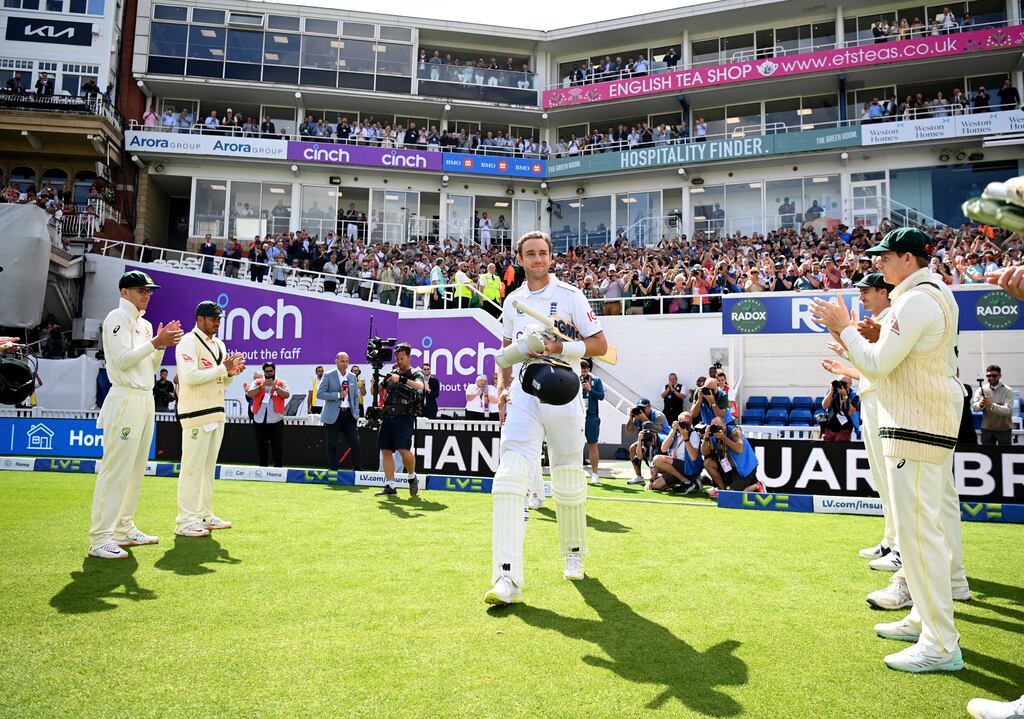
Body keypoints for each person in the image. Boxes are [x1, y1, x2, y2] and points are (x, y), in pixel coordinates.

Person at [811, 227, 967, 673]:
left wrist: (844, 329)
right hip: (921, 421)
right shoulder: (926, 295)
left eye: (885, 258)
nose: (877, 265)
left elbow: (879, 364)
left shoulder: (916, 299)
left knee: (919, 538)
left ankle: (939, 643)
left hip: (916, 424)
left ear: (908, 259)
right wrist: (870, 336)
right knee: (923, 533)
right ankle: (923, 618)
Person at [484, 230, 608, 605]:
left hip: (564, 392)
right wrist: (503, 387)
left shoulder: (570, 296)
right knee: (508, 478)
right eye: (530, 254)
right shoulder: (513, 301)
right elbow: (506, 349)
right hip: (524, 393)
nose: (537, 260)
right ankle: (506, 579)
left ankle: (573, 555)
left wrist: (559, 346)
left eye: (542, 253)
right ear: (519, 259)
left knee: (568, 477)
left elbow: (600, 346)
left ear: (551, 258)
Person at [821, 273, 908, 594]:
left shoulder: (890, 321)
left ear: (884, 293)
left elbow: (881, 365)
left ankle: (901, 549)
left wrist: (846, 337)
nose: (861, 298)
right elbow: (869, 368)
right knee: (883, 479)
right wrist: (844, 363)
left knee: (894, 479)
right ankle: (890, 541)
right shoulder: (878, 321)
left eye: (866, 291)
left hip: (886, 403)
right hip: (872, 399)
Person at [87, 271, 183, 559]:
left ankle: (123, 527)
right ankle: (100, 537)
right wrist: (155, 343)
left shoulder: (145, 324)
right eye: (141, 291)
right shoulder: (117, 318)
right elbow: (121, 362)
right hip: (126, 397)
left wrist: (161, 344)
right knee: (116, 469)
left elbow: (150, 368)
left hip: (144, 397)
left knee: (136, 468)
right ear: (124, 292)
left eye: (149, 291)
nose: (147, 296)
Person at [174, 302, 244, 537]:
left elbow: (221, 380)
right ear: (200, 319)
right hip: (195, 413)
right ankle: (185, 521)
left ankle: (204, 514)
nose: (217, 322)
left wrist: (230, 374)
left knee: (207, 469)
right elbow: (190, 377)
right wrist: (222, 369)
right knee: (192, 469)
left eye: (219, 319)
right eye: (213, 318)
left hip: (216, 411)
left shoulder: (219, 345)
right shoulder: (188, 342)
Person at [374, 344, 425, 497]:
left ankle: (412, 476)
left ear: (409, 357)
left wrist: (401, 379)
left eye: (402, 358)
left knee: (404, 450)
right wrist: (375, 379)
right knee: (386, 450)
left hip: (404, 416)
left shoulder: (415, 372)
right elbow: (375, 391)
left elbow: (421, 386)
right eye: (397, 358)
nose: (399, 361)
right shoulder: (392, 373)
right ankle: (390, 485)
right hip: (388, 415)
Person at [318, 352, 362, 470]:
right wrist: (338, 395)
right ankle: (333, 470)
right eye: (342, 361)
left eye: (347, 361)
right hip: (333, 415)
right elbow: (320, 394)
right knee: (332, 445)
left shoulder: (352, 376)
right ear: (336, 361)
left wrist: (356, 412)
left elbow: (355, 396)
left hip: (349, 414)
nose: (345, 364)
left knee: (355, 444)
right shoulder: (328, 375)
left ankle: (357, 470)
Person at [701, 417, 761, 496]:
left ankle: (757, 486)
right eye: (713, 426)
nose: (716, 429)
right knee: (708, 463)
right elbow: (704, 452)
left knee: (733, 494)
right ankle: (722, 490)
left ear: (724, 425)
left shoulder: (735, 431)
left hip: (745, 469)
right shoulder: (713, 435)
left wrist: (723, 438)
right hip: (729, 467)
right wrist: (706, 437)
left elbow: (739, 449)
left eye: (718, 426)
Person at [246, 362, 290, 467]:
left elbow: (287, 395)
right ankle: (262, 467)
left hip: (276, 419)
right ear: (264, 372)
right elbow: (249, 393)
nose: (269, 373)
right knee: (261, 445)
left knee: (277, 445)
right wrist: (261, 387)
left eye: (271, 371)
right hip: (259, 418)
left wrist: (276, 388)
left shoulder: (281, 382)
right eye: (267, 371)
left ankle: (278, 467)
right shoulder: (258, 382)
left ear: (274, 371)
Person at [648, 411, 702, 494]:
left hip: (687, 467)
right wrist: (673, 431)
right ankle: (690, 482)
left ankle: (686, 482)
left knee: (657, 459)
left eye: (689, 422)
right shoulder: (676, 433)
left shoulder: (693, 434)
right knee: (655, 486)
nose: (686, 425)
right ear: (678, 422)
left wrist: (686, 438)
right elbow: (663, 449)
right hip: (675, 468)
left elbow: (694, 457)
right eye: (684, 422)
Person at [625, 398, 670, 485]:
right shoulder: (638, 416)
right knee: (632, 448)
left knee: (655, 471)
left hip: (663, 442)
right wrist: (631, 418)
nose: (641, 410)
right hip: (647, 442)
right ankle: (638, 477)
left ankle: (667, 476)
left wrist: (644, 418)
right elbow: (629, 431)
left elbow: (658, 430)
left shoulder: (658, 415)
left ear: (649, 407)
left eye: (643, 408)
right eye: (639, 408)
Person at [971, 365, 1014, 445]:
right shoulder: (981, 389)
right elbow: (974, 408)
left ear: (1000, 376)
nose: (991, 378)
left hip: (1004, 430)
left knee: (1005, 455)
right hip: (987, 429)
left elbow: (1008, 411)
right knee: (987, 454)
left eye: (994, 376)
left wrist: (991, 405)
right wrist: (980, 404)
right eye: (988, 376)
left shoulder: (1008, 391)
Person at [581, 358, 604, 485]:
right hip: (577, 416)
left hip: (591, 416)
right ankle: (577, 472)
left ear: (589, 370)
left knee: (592, 445)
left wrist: (590, 389)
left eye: (585, 371)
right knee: (575, 444)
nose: (583, 374)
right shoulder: (574, 379)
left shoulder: (596, 380)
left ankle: (595, 474)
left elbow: (601, 396)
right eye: (581, 371)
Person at [821, 377, 859, 441]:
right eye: (840, 382)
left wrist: (844, 395)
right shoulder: (832, 391)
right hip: (829, 427)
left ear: (850, 384)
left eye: (845, 383)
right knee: (827, 448)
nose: (842, 384)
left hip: (844, 429)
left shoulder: (854, 395)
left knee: (839, 449)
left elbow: (850, 412)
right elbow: (824, 406)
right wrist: (831, 391)